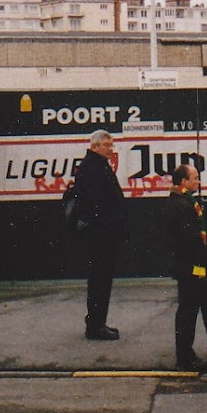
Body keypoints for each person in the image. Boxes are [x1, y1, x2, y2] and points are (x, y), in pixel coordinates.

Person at [165, 162, 207, 370]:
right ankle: (184, 357)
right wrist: (206, 261)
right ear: (184, 181)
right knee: (188, 311)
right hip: (191, 268)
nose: (199, 181)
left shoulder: (186, 202)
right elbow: (191, 241)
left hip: (195, 267)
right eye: (195, 178)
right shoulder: (181, 206)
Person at [69, 129, 127, 340]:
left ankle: (96, 321)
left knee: (100, 279)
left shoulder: (96, 165)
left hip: (103, 234)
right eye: (107, 145)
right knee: (100, 280)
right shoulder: (93, 168)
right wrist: (108, 226)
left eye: (112, 145)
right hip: (101, 236)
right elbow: (94, 204)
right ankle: (96, 326)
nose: (111, 149)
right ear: (95, 146)